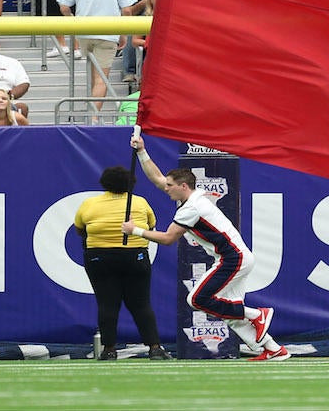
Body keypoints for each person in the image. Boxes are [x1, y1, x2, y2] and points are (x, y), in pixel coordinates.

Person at [123, 151, 289, 361]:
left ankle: (257, 314)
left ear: (183, 186)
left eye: (170, 186)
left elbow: (167, 238)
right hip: (234, 257)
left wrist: (135, 230)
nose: (165, 188)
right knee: (229, 314)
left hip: (233, 259)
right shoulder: (193, 196)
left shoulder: (191, 208)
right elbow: (157, 178)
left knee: (197, 299)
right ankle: (273, 349)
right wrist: (142, 151)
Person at [74, 164, 170, 361]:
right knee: (141, 304)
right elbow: (151, 226)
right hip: (135, 255)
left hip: (99, 257)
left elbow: (80, 229)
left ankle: (109, 350)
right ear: (131, 184)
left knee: (107, 304)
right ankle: (155, 348)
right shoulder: (140, 202)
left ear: (104, 183)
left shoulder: (89, 204)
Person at [58, 0, 137, 109]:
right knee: (101, 78)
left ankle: (90, 112)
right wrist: (123, 34)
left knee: (94, 76)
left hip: (83, 32)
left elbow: (64, 7)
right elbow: (127, 11)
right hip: (108, 33)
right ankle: (93, 117)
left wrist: (74, 23)